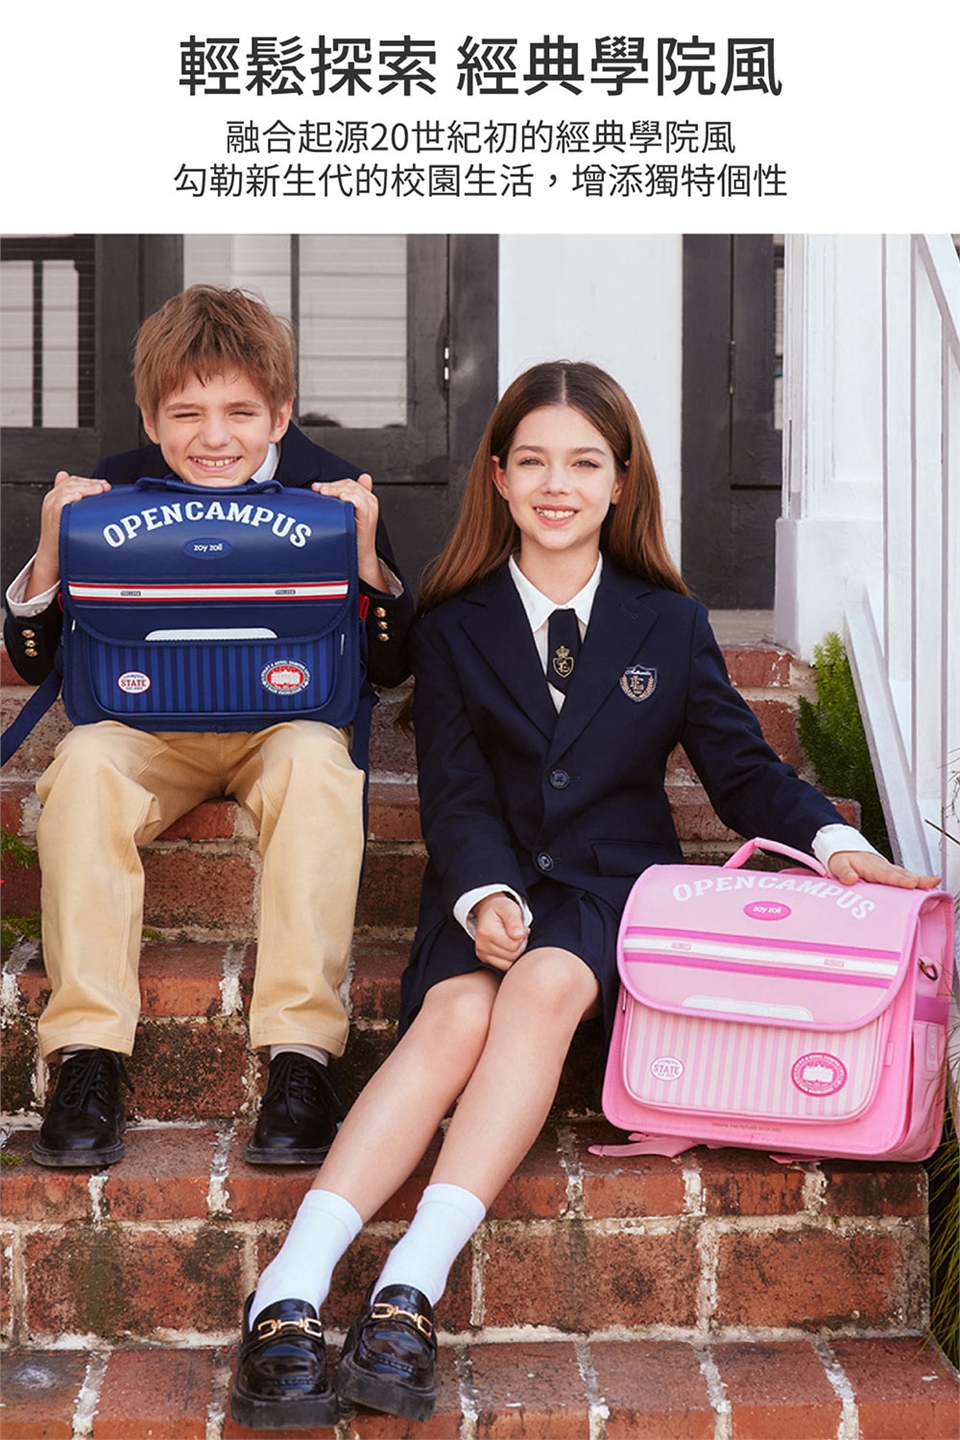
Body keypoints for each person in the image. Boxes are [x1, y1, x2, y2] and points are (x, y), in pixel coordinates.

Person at [230, 361, 939, 1430]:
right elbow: (455, 791)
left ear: (620, 481)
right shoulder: (454, 625)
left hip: (611, 896)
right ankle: (289, 1284)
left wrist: (835, 843)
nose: (557, 485)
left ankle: (410, 1284)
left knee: (548, 983)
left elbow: (742, 773)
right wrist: (482, 896)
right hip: (484, 891)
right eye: (533, 462)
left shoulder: (669, 623)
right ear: (500, 478)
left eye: (583, 463)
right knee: (454, 1013)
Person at [3, 285, 413, 1170]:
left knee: (319, 767)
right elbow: (36, 663)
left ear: (281, 414)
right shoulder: (110, 488)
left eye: (240, 412)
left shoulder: (331, 489)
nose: (214, 437)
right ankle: (87, 1055)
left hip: (286, 724)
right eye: (186, 414)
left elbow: (389, 666)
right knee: (83, 764)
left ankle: (302, 1058)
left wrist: (368, 561)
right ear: (152, 419)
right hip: (148, 725)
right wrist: (49, 549)